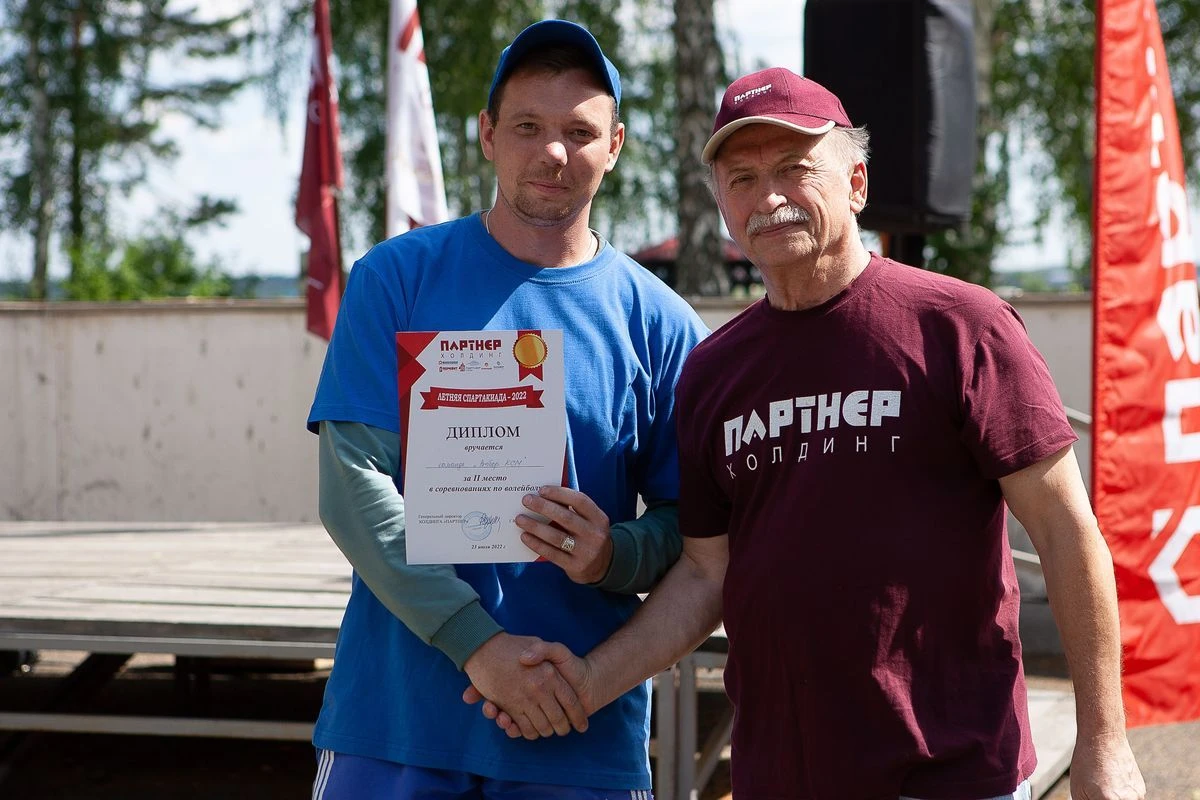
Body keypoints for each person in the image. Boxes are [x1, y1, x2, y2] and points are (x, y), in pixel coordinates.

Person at [478, 68, 1146, 800]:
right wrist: (587, 683)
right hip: (779, 776)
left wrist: (1105, 743)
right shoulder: (713, 372)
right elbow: (705, 574)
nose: (768, 198)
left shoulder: (962, 328)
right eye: (742, 179)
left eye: (795, 169)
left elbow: (1065, 530)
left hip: (949, 775)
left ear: (856, 183)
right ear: (723, 207)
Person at [306, 19, 707, 800]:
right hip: (397, 722)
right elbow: (352, 488)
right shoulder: (396, 278)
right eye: (527, 126)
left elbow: (695, 531)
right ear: (487, 135)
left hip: (578, 731)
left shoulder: (661, 325)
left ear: (615, 146)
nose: (553, 152)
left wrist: (615, 555)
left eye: (579, 132)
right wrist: (478, 646)